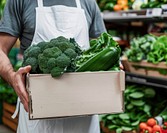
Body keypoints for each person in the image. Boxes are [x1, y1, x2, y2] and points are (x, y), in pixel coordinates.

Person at [0, 0, 106, 132]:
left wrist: (111, 63)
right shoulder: (19, 2)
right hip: (37, 114)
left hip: (83, 116)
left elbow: (103, 46)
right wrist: (12, 77)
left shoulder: (88, 2)